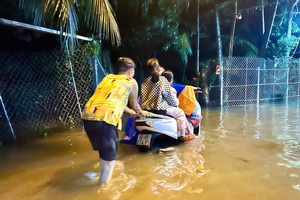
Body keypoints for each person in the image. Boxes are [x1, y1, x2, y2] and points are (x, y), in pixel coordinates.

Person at [82, 57, 147, 184]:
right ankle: (102, 191)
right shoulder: (131, 81)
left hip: (88, 116)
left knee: (104, 156)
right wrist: (141, 113)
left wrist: (131, 113)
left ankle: (100, 179)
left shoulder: (108, 78)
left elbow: (109, 101)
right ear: (131, 71)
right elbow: (135, 105)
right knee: (108, 165)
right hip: (105, 120)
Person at [140, 58, 192, 143]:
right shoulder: (162, 80)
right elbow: (171, 98)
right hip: (160, 110)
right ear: (158, 68)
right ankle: (182, 136)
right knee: (180, 112)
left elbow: (142, 98)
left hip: (145, 111)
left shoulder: (144, 82)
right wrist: (176, 103)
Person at [161, 70, 194, 141]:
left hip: (154, 108)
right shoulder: (170, 89)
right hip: (164, 108)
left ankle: (190, 133)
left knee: (181, 114)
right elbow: (175, 103)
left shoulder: (156, 86)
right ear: (171, 81)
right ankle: (182, 135)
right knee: (180, 112)